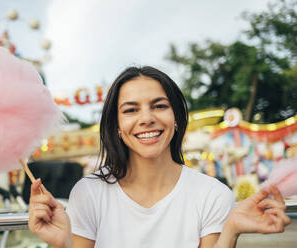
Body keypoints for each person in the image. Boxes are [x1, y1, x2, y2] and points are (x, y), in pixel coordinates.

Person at [28, 66, 290, 248]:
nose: (146, 119)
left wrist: (231, 230)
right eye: (131, 110)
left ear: (176, 117)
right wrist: (62, 243)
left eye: (159, 106)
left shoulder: (212, 195)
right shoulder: (89, 192)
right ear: (116, 126)